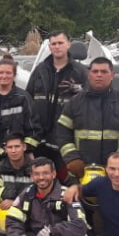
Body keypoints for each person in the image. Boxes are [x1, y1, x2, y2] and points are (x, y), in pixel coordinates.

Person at [57, 57, 119, 185]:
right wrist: (72, 158)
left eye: (104, 72)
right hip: (80, 175)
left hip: (116, 175)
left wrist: (118, 162)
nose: (99, 75)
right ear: (89, 74)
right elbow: (62, 133)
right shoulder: (75, 102)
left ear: (112, 75)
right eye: (95, 71)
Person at [26, 31, 88, 174]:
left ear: (68, 45)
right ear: (49, 46)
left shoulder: (80, 72)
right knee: (42, 181)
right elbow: (27, 102)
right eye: (53, 44)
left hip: (67, 142)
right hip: (41, 142)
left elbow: (90, 104)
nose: (57, 46)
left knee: (67, 183)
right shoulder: (40, 70)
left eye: (60, 43)